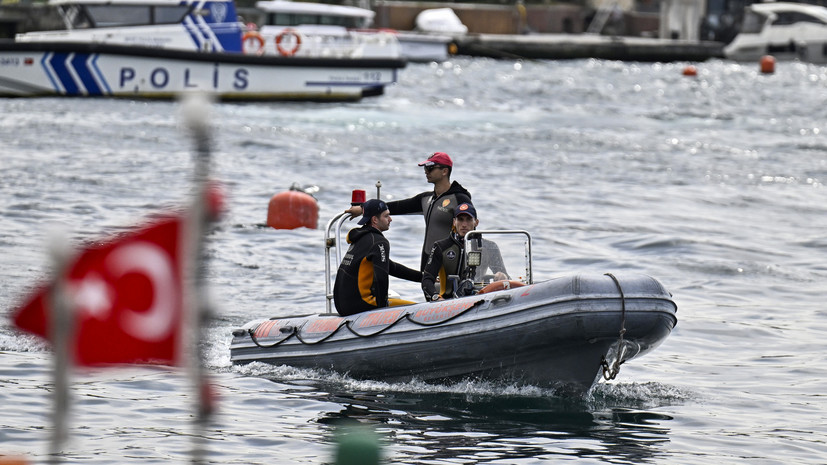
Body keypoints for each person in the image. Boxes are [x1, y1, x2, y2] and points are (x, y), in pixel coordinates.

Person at [346, 152, 472, 271]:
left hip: (451, 260)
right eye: (425, 169)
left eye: (430, 168)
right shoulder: (426, 199)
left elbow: (471, 230)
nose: (426, 172)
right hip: (427, 261)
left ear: (445, 171)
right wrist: (363, 209)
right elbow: (397, 206)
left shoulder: (460, 198)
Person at [334, 199, 422, 316]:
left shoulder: (361, 238)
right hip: (360, 305)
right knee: (417, 309)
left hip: (343, 306)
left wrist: (422, 277)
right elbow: (381, 277)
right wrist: (382, 310)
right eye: (386, 216)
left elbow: (391, 267)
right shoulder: (379, 242)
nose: (390, 219)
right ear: (375, 220)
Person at [422, 202, 508, 301]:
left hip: (480, 298)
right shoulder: (441, 247)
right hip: (448, 301)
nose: (464, 224)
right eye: (460, 219)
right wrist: (435, 297)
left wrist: (502, 276)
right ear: (454, 222)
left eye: (468, 220)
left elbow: (506, 278)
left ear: (476, 222)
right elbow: (427, 280)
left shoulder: (489, 247)